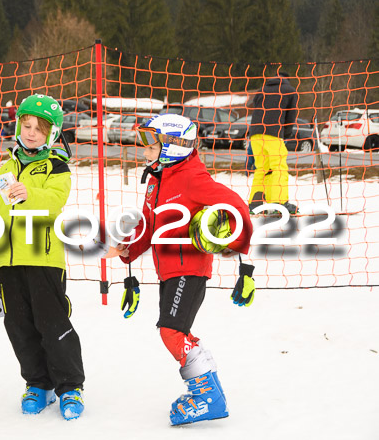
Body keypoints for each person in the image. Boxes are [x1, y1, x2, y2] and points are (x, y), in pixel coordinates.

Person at [113, 114, 253, 426]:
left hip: (189, 268)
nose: (145, 149)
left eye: (152, 143)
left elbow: (236, 207)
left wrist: (228, 240)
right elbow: (147, 226)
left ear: (173, 146)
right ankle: (208, 384)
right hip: (169, 272)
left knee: (170, 331)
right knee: (179, 331)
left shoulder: (192, 178)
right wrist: (127, 249)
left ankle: (207, 396)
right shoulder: (156, 180)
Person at [0, 94, 86, 421]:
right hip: (8, 264)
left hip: (44, 262)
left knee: (52, 325)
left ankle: (70, 385)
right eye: (27, 125)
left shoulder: (56, 168)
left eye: (40, 128)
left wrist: (28, 192)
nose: (32, 132)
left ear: (52, 134)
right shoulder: (4, 170)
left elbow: (54, 202)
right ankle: (38, 383)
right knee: (19, 326)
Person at [247, 71, 298, 214]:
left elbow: (255, 110)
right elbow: (290, 116)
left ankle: (255, 204)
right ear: (287, 79)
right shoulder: (289, 90)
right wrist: (285, 135)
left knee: (262, 168)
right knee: (279, 168)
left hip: (255, 134)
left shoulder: (261, 90)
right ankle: (280, 203)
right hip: (273, 134)